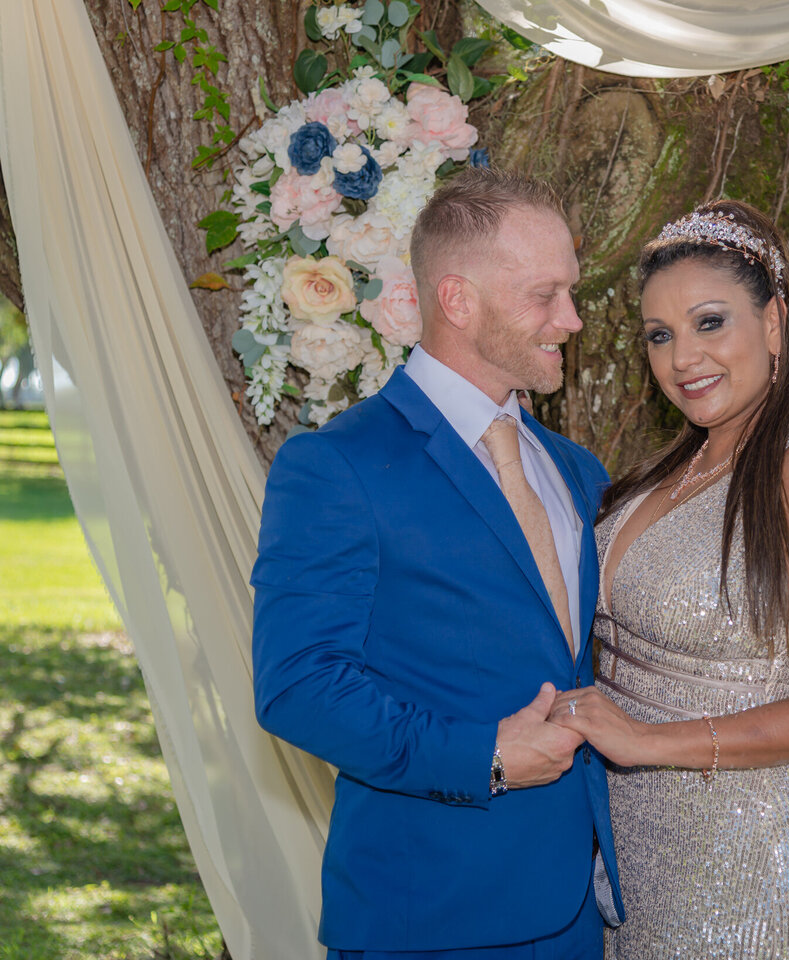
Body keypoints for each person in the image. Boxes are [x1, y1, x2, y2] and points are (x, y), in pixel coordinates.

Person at [250, 167, 624, 959]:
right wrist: (483, 756)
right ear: (458, 300)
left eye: (573, 292)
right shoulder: (336, 467)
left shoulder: (577, 470)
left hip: (583, 913)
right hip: (431, 920)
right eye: (546, 295)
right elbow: (299, 685)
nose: (574, 319)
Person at [550, 199, 789, 959]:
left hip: (749, 855)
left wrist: (642, 739)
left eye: (710, 323)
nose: (681, 359)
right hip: (633, 844)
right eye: (659, 336)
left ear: (773, 324)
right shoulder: (673, 466)